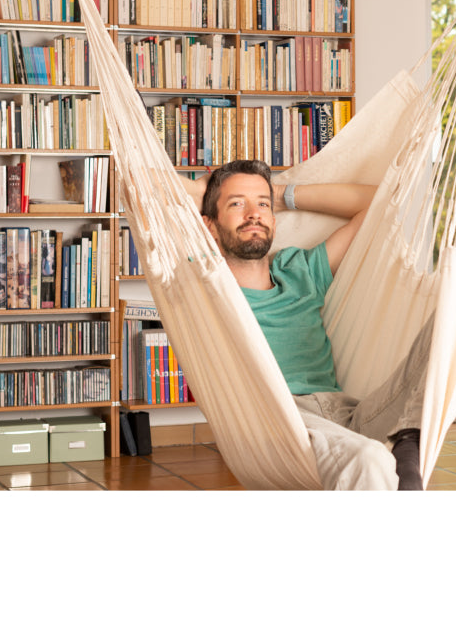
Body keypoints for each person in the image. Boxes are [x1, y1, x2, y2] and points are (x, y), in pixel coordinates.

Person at [183, 159, 427, 490]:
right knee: (370, 458)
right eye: (237, 204)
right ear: (209, 226)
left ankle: (408, 438)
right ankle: (406, 445)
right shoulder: (205, 282)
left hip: (346, 413)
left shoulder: (300, 270)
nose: (253, 213)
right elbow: (140, 187)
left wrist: (282, 195)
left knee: (450, 321)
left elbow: (384, 199)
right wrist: (200, 190)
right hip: (283, 422)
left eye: (262, 205)